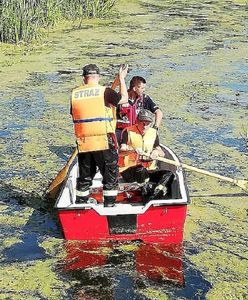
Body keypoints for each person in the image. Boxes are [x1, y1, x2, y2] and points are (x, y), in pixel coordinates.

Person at [70, 63, 128, 207]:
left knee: (85, 176)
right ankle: (109, 205)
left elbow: (78, 112)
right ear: (98, 77)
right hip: (103, 140)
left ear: (84, 79)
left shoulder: (75, 94)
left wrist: (114, 83)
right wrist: (121, 79)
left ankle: (80, 204)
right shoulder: (104, 91)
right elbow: (123, 99)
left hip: (84, 141)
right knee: (110, 175)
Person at [118, 109, 174, 201]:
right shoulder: (128, 132)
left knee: (168, 174)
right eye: (142, 123)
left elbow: (161, 152)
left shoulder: (153, 133)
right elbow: (121, 151)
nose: (145, 126)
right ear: (137, 121)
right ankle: (146, 195)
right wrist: (132, 150)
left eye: (147, 123)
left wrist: (156, 152)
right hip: (129, 171)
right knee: (140, 169)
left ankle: (156, 194)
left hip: (149, 170)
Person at [114, 76, 163, 143]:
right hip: (121, 132)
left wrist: (155, 128)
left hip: (137, 132)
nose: (144, 90)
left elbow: (159, 112)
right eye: (142, 88)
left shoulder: (145, 99)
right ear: (134, 88)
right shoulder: (121, 98)